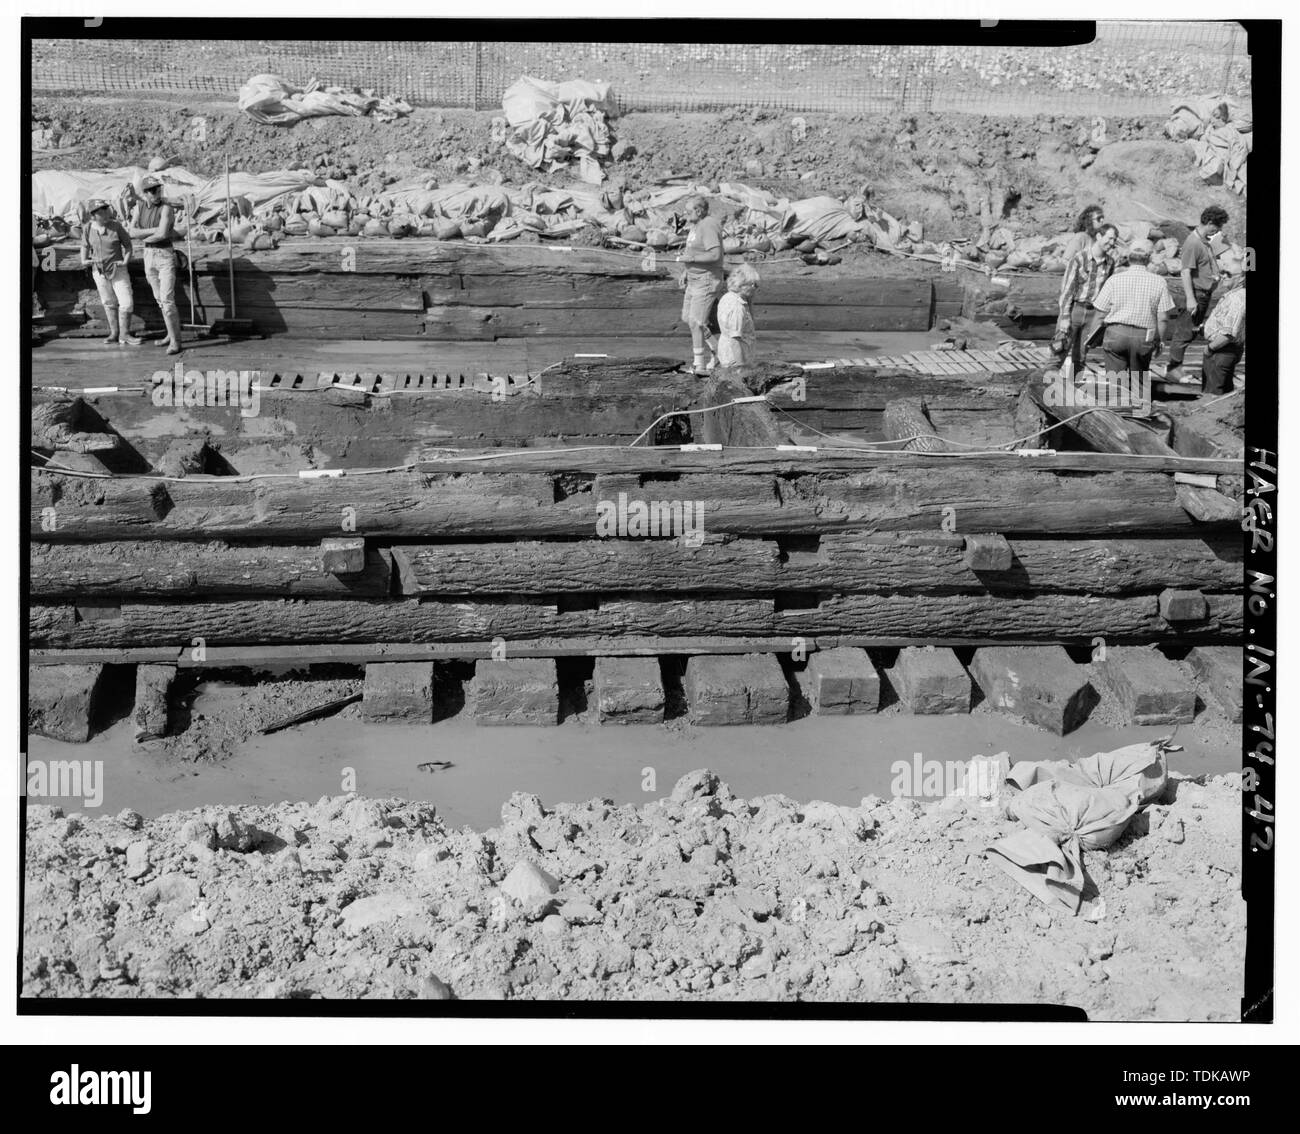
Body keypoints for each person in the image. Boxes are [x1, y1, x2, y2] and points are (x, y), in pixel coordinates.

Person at [1090, 244, 1179, 376]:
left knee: (1115, 382)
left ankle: (1117, 395)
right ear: (1148, 259)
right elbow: (1163, 318)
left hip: (1116, 334)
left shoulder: (1114, 280)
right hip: (1143, 336)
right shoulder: (1159, 282)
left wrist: (1091, 338)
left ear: (1129, 259)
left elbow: (1100, 313)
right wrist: (1160, 341)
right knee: (1139, 381)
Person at [1164, 205, 1229, 383]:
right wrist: (1191, 299)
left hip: (1204, 293)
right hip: (1196, 294)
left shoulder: (1204, 241)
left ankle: (1176, 367)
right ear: (1209, 223)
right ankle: (1173, 369)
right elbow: (1185, 272)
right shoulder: (1193, 243)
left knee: (1191, 332)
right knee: (1183, 332)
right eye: (1218, 226)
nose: (1219, 230)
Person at [1052, 222, 1119, 373]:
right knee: (1058, 351)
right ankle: (1042, 390)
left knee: (1081, 357)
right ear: (1099, 236)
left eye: (1115, 240)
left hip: (1093, 314)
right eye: (1109, 238)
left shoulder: (1110, 263)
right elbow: (1067, 290)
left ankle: (1074, 390)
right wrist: (1064, 317)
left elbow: (1106, 291)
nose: (1112, 243)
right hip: (1075, 309)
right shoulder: (1079, 259)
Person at [129, 174, 182, 354]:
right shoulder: (139, 206)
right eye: (152, 191)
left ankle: (175, 341)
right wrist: (153, 230)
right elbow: (131, 231)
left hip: (164, 254)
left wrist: (143, 234)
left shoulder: (166, 208)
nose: (156, 193)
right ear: (144, 193)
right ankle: (170, 333)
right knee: (160, 299)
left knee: (167, 300)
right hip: (148, 254)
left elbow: (162, 235)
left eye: (157, 189)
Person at [80, 199, 141, 347]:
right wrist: (84, 259)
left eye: (106, 210)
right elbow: (84, 245)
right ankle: (114, 333)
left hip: (117, 269)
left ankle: (125, 334)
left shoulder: (116, 226)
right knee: (108, 302)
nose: (106, 214)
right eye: (101, 212)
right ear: (93, 216)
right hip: (99, 270)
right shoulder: (88, 228)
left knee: (126, 302)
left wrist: (126, 260)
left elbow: (128, 245)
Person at [676, 195, 725, 375]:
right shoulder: (696, 225)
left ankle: (699, 365)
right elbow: (693, 251)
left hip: (706, 280)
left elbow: (714, 255)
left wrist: (692, 260)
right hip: (694, 279)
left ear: (699, 210)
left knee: (697, 322)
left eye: (688, 212)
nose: (685, 215)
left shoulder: (709, 225)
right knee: (688, 319)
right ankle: (718, 352)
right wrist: (685, 271)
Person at [1199, 252, 1246, 395]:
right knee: (1223, 394)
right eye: (1223, 272)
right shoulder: (1234, 295)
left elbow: (1228, 334)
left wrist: (1210, 348)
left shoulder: (1237, 299)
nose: (1224, 276)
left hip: (1221, 351)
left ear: (1241, 277)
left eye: (1228, 274)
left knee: (1211, 395)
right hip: (1223, 351)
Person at [716, 264, 760, 367]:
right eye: (755, 285)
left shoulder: (727, 297)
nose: (756, 289)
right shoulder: (737, 307)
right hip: (736, 360)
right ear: (743, 284)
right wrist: (741, 368)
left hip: (728, 355)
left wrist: (750, 301)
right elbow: (735, 339)